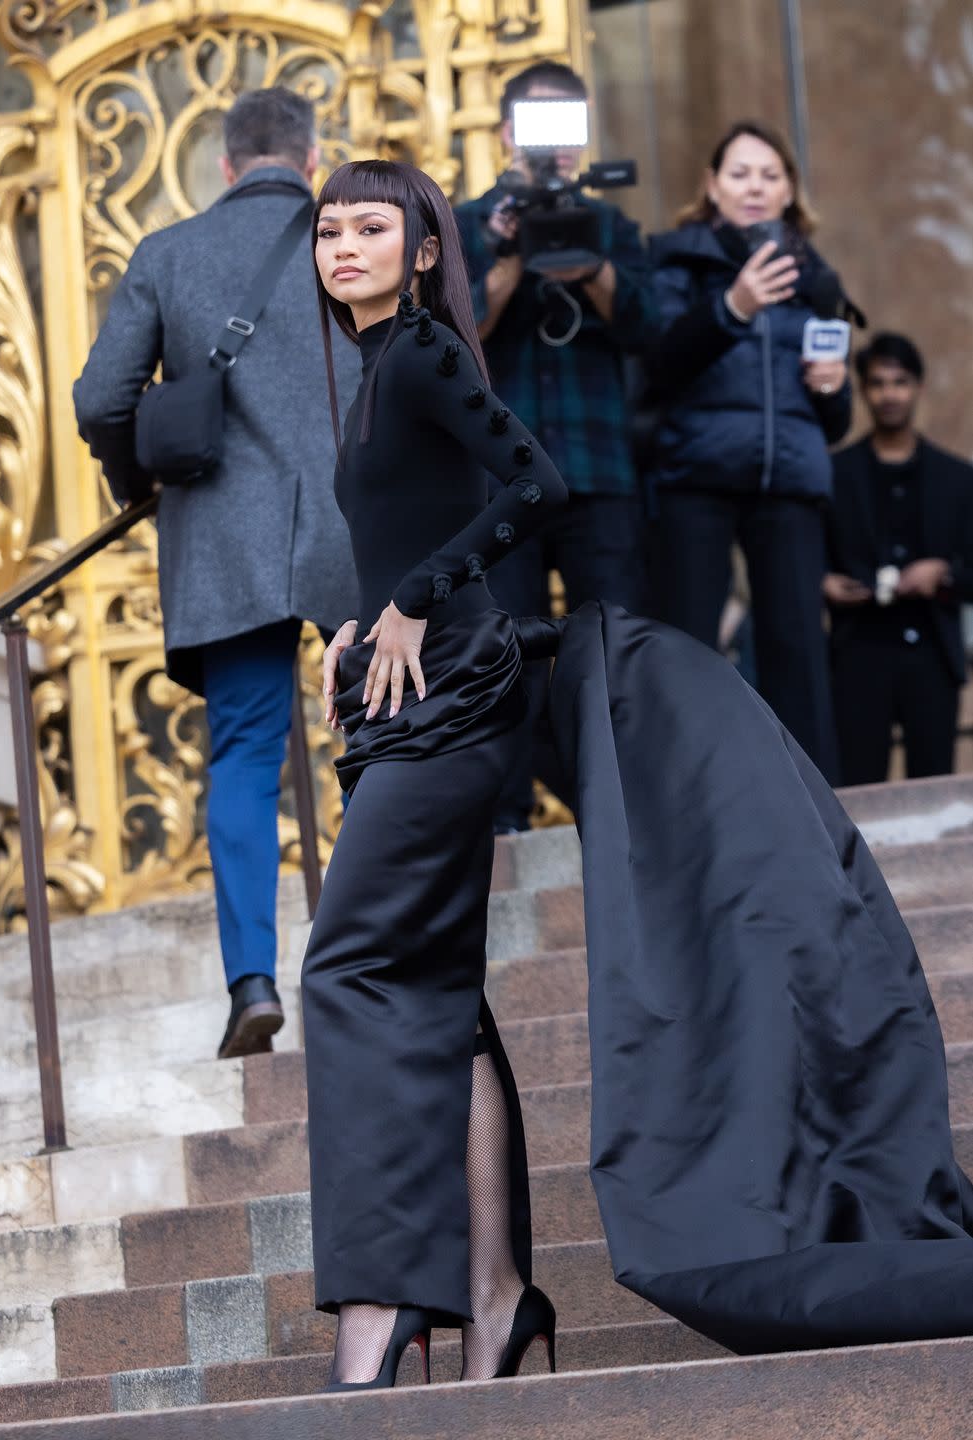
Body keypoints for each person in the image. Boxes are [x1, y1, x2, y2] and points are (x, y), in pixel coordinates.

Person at [301, 156, 973, 1393]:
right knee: (434, 995)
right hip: (411, 705)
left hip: (456, 706)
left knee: (350, 970)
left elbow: (536, 485)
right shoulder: (372, 373)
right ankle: (497, 1304)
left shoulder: (421, 352)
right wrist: (364, 615)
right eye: (328, 228)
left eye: (371, 228)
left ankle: (390, 1298)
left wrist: (411, 598)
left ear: (426, 247)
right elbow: (420, 515)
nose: (343, 246)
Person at [74, 89, 358, 1059]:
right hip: (352, 526)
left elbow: (100, 396)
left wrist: (135, 479)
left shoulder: (168, 253)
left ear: (226, 167)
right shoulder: (351, 240)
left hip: (223, 537)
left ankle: (250, 984)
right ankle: (379, 959)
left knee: (243, 755)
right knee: (378, 737)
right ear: (311, 160)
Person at [454, 60, 656, 831]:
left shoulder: (613, 227)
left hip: (597, 472)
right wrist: (508, 262)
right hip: (502, 478)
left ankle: (628, 803)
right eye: (536, 127)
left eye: (566, 127)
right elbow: (450, 340)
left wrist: (593, 268)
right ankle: (506, 816)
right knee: (502, 647)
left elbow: (651, 331)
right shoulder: (466, 226)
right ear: (506, 135)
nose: (553, 148)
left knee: (612, 638)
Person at [648, 119, 853, 781]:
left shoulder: (817, 279)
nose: (754, 187)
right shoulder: (675, 259)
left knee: (796, 646)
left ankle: (812, 798)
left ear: (790, 190)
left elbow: (835, 422)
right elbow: (656, 363)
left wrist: (831, 387)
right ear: (711, 186)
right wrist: (730, 308)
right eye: (739, 174)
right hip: (695, 476)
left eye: (769, 175)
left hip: (788, 478)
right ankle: (694, 791)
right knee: (689, 645)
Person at [826, 332, 973, 784]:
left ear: (918, 388)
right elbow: (808, 555)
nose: (889, 395)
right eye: (878, 383)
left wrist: (944, 573)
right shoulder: (835, 472)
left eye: (900, 382)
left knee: (934, 791)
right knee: (855, 786)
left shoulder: (958, 477)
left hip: (932, 651)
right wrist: (823, 583)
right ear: (864, 390)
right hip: (857, 652)